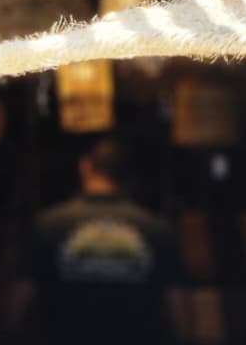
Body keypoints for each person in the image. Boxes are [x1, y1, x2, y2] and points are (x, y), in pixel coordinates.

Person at [12, 138, 186, 345]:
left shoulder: (48, 225)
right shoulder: (156, 229)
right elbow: (178, 311)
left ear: (85, 166)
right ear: (129, 176)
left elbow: (20, 302)